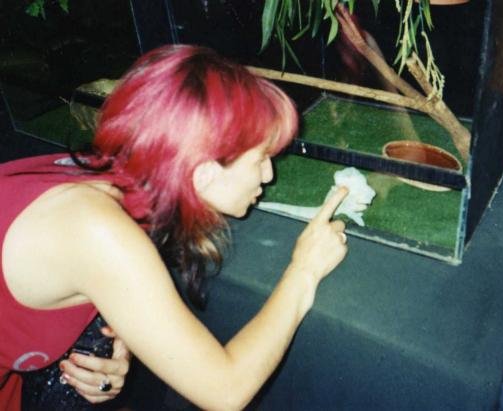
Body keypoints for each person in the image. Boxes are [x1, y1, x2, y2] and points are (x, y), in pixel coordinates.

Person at [0, 44, 349, 410]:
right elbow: (225, 392)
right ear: (203, 172)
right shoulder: (97, 230)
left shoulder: (105, 177)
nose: (268, 175)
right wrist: (304, 270)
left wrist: (125, 334)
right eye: (261, 158)